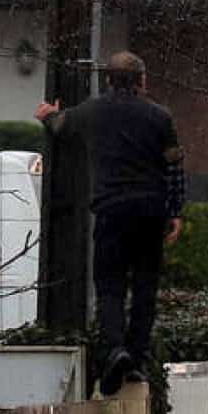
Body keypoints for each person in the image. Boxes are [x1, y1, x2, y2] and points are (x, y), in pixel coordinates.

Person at [35, 51, 185, 396]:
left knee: (110, 286)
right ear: (142, 80)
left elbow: (61, 125)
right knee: (145, 288)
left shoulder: (93, 111)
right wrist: (175, 211)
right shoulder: (160, 117)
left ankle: (116, 349)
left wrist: (47, 114)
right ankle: (137, 358)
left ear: (108, 80)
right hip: (150, 212)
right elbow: (175, 166)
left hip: (112, 211)